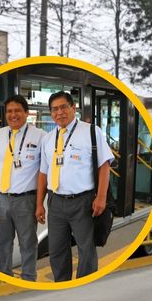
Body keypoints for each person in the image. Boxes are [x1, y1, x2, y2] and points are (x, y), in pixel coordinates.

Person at [36, 91, 114, 282]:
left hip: (83, 201)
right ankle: (62, 285)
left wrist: (101, 197)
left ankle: (85, 286)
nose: (59, 112)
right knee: (56, 250)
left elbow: (104, 165)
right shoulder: (48, 139)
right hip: (55, 202)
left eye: (63, 107)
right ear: (50, 113)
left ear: (73, 108)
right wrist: (40, 204)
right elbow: (43, 174)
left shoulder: (90, 131)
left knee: (86, 249)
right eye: (54, 109)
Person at [0, 95, 47, 281]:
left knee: (27, 242)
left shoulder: (41, 136)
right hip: (0, 198)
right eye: (9, 111)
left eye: (17, 110)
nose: (13, 115)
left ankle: (28, 277)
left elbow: (44, 172)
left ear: (26, 112)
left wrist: (40, 203)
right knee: (3, 242)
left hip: (26, 199)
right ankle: (4, 276)